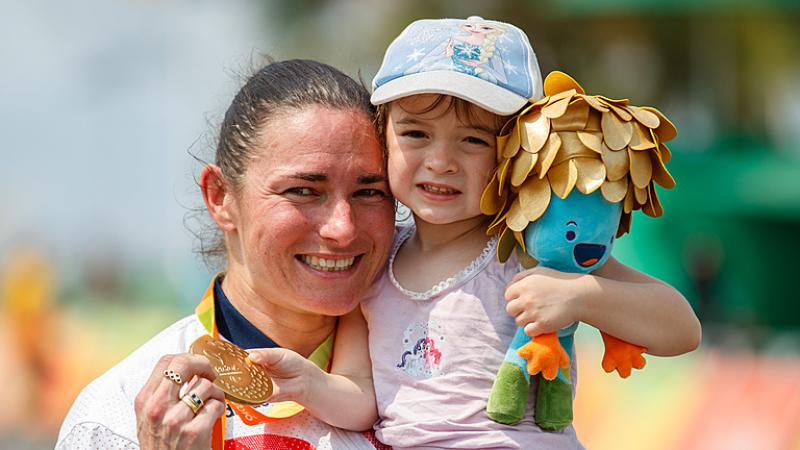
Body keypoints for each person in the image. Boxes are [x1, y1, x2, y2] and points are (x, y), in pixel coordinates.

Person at [248, 16, 701, 449]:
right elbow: (361, 398)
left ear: (519, 151)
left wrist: (579, 294)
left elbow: (681, 329)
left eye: (474, 140)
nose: (441, 160)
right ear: (382, 134)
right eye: (416, 134)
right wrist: (309, 383)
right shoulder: (375, 263)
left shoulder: (526, 248)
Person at [56, 59, 396, 449]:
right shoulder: (123, 412)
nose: (343, 227)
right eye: (303, 191)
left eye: (370, 191)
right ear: (220, 197)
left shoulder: (439, 370)